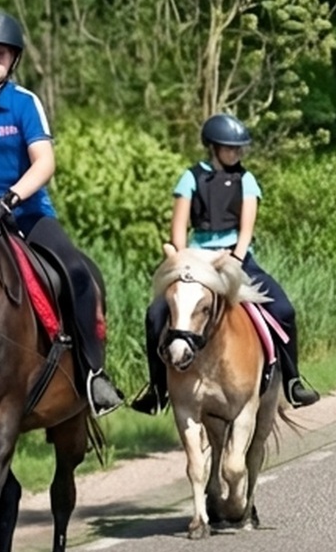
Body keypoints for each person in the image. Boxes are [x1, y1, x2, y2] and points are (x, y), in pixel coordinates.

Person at [0, 11, 123, 415]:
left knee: (77, 273)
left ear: (13, 59)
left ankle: (92, 373)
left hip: (25, 215)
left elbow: (44, 162)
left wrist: (10, 199)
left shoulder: (23, 103)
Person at [130, 113, 320, 413]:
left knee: (283, 309)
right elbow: (178, 231)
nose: (236, 153)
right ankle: (157, 389)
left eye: (239, 148)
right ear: (213, 148)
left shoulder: (247, 180)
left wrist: (234, 260)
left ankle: (292, 382)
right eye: (230, 148)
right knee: (156, 314)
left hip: (236, 257)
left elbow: (246, 230)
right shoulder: (190, 177)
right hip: (195, 260)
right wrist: (183, 263)